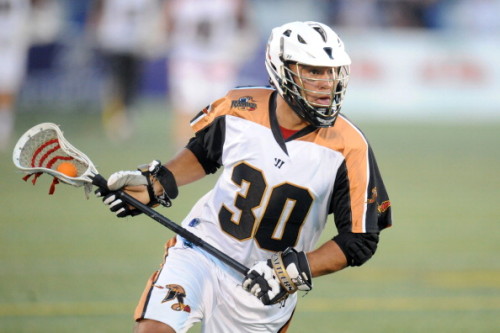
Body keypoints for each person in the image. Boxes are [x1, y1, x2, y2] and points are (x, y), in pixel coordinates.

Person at [97, 21, 392, 333]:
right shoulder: (241, 107)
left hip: (264, 286)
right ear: (283, 70)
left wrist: (292, 271)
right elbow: (204, 153)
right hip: (201, 250)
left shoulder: (350, 146)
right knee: (155, 329)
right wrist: (157, 185)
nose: (327, 82)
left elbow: (360, 239)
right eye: (314, 71)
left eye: (332, 72)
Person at [162, 0, 256, 150]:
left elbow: (243, 22)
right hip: (190, 58)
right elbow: (168, 24)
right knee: (186, 108)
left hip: (219, 59)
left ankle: (220, 150)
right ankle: (183, 153)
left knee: (223, 110)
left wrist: (243, 41)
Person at [87, 0, 166, 141]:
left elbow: (153, 15)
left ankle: (127, 118)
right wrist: (96, 28)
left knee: (133, 83)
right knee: (116, 82)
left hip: (137, 42)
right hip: (114, 41)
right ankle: (114, 119)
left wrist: (153, 37)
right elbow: (99, 9)